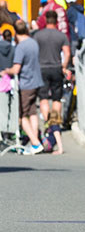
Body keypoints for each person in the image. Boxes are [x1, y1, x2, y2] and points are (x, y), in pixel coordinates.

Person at [1, 18, 44, 153]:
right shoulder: (33, 43)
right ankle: (35, 141)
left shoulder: (21, 47)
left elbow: (16, 69)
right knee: (32, 112)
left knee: (21, 116)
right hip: (36, 80)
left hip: (26, 83)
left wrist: (6, 71)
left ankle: (36, 143)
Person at [32, 10, 71, 126]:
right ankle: (55, 124)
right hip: (56, 67)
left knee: (43, 98)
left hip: (42, 68)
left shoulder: (38, 35)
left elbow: (34, 52)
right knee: (56, 98)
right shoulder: (61, 36)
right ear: (56, 21)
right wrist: (64, 66)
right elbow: (67, 53)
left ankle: (46, 122)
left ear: (45, 20)